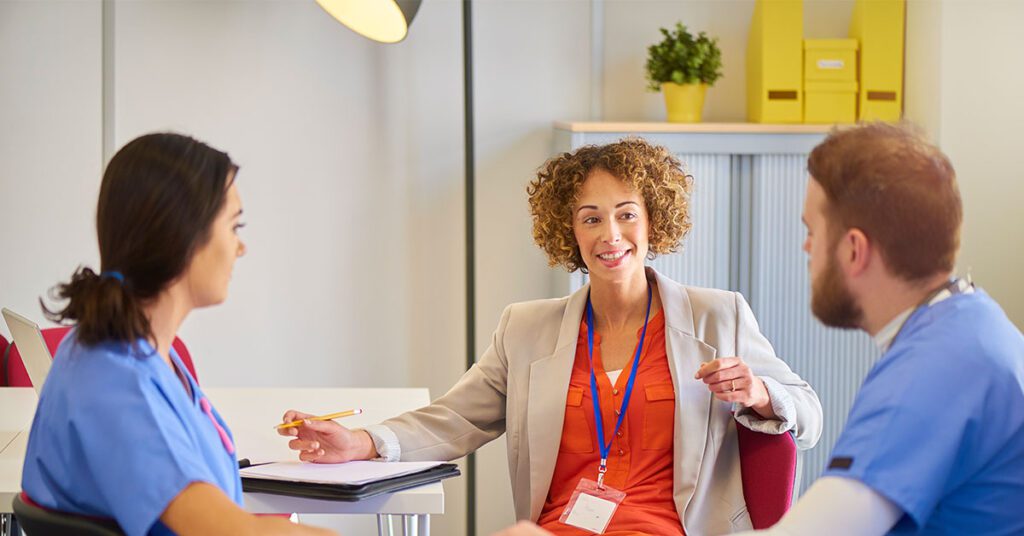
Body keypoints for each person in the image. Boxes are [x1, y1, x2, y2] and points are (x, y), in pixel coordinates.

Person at [280, 138, 823, 534]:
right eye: (590, 219)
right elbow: (454, 418)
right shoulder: (526, 328)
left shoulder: (718, 316)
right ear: (569, 232)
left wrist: (758, 392)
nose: (610, 235)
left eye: (626, 214)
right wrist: (363, 441)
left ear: (653, 220)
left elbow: (809, 413)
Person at [21, 133, 333, 536]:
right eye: (234, 226)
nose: (241, 248)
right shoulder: (116, 383)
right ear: (183, 234)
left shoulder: (120, 352)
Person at [733, 123, 1024, 535]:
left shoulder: (933, 371)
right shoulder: (971, 324)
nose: (806, 248)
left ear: (854, 250)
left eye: (811, 231)